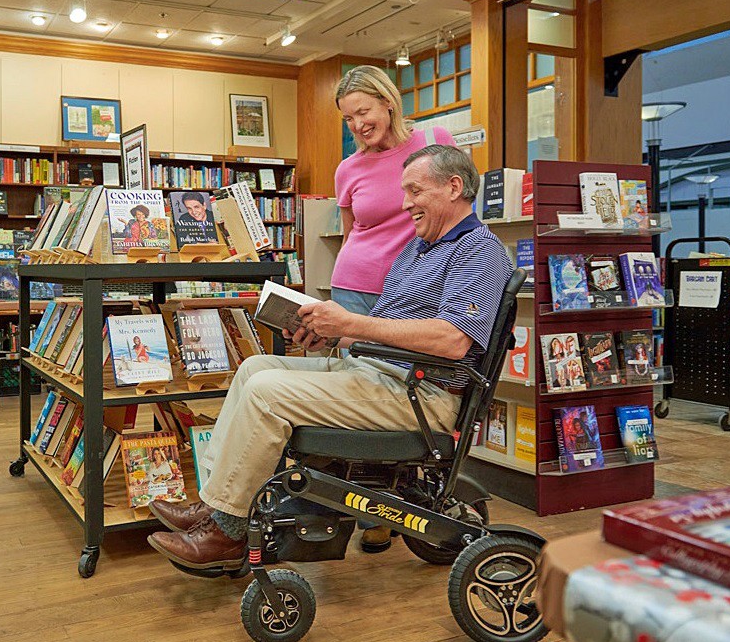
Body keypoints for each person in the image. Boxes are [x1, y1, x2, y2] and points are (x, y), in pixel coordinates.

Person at [146, 144, 512, 571]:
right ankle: (216, 504)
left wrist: (351, 325)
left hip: (421, 394)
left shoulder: (477, 251)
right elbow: (387, 331)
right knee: (253, 368)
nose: (405, 202)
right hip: (381, 374)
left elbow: (453, 340)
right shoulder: (419, 248)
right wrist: (327, 336)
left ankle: (227, 531)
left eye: (414, 191)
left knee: (267, 392)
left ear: (454, 187)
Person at [332, 65, 455, 552]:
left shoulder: (433, 140)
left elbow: (459, 207)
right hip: (355, 289)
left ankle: (405, 497)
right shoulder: (349, 168)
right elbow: (351, 234)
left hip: (410, 296)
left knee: (402, 401)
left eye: (363, 111)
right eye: (348, 118)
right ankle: (368, 513)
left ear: (388, 102)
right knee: (358, 402)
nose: (358, 125)